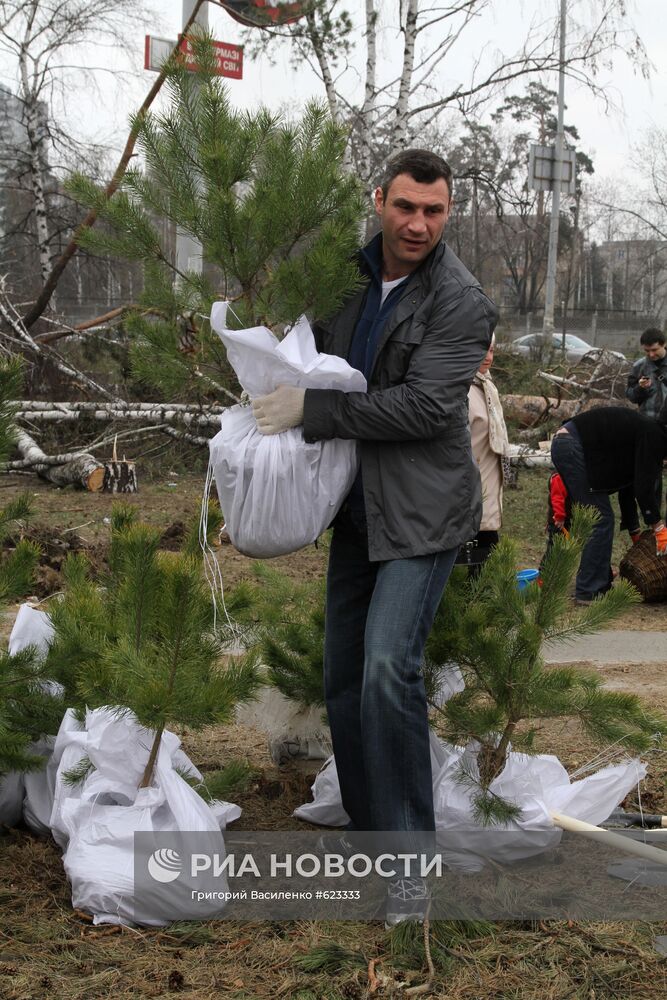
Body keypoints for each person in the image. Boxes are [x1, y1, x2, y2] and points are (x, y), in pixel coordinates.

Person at [252, 148, 497, 924]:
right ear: (379, 201)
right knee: (342, 680)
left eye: (433, 211)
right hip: (358, 506)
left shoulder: (460, 302)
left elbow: (426, 409)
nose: (418, 224)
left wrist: (312, 413)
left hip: (423, 512)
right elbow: (308, 350)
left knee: (390, 670)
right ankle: (366, 840)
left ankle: (409, 871)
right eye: (405, 208)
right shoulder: (348, 280)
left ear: (447, 212)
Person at [550, 405, 667, 605]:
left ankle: (600, 582)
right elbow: (643, 488)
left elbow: (628, 491)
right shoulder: (654, 436)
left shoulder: (644, 433)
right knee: (600, 519)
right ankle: (588, 590)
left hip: (568, 444)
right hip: (571, 445)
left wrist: (636, 534)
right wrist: (658, 526)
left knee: (599, 517)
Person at [462, 335, 510, 572]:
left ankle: (482, 599)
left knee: (487, 551)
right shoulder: (461, 389)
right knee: (469, 556)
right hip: (465, 491)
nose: (488, 357)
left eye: (492, 350)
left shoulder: (487, 386)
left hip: (489, 488)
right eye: (483, 350)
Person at [625, 328, 667, 420]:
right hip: (647, 423)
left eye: (654, 350)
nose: (651, 354)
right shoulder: (638, 367)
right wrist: (640, 388)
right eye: (647, 351)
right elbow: (631, 397)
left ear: (664, 344)